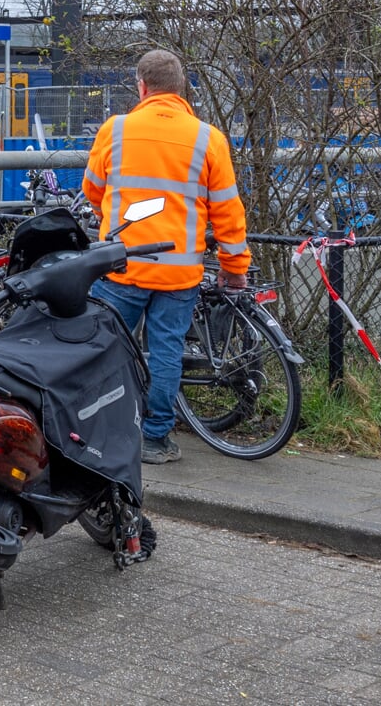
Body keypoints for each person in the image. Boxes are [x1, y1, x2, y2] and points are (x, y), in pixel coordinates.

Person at [83, 50, 249, 464]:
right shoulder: (207, 138)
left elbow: (92, 189)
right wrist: (235, 268)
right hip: (179, 272)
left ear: (141, 86)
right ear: (181, 89)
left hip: (122, 264)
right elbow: (228, 210)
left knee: (108, 349)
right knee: (167, 351)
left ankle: (104, 430)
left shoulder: (115, 130)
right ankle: (155, 439)